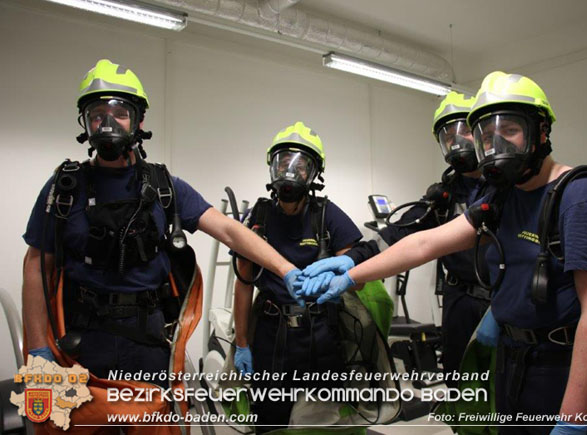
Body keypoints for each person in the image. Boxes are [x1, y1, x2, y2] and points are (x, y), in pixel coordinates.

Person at [301, 72, 587, 434]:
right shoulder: (504, 196)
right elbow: (426, 242)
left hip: (563, 368)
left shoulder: (579, 196)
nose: (497, 145)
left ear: (541, 131)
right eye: (487, 136)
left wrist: (572, 422)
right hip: (514, 363)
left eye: (509, 130)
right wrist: (351, 273)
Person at [22, 59, 302, 388]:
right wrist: (38, 348)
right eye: (97, 115)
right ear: (85, 123)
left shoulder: (164, 186)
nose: (108, 123)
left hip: (149, 340)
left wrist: (286, 268)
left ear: (138, 121)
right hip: (82, 341)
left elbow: (228, 230)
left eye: (120, 113)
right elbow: (37, 262)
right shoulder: (64, 187)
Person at [300, 91, 490, 384]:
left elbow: (425, 245)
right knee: (459, 382)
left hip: (501, 298)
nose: (456, 141)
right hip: (460, 300)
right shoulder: (447, 192)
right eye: (448, 134)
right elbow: (400, 232)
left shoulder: (508, 187)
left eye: (464, 129)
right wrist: (352, 258)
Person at [232, 121, 364, 432]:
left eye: (300, 165)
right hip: (270, 330)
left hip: (320, 331)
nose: (289, 172)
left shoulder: (326, 214)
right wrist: (241, 343)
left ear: (314, 173)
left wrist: (337, 274)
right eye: (283, 162)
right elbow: (243, 283)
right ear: (272, 167)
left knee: (326, 420)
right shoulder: (259, 217)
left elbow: (359, 274)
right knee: (269, 420)